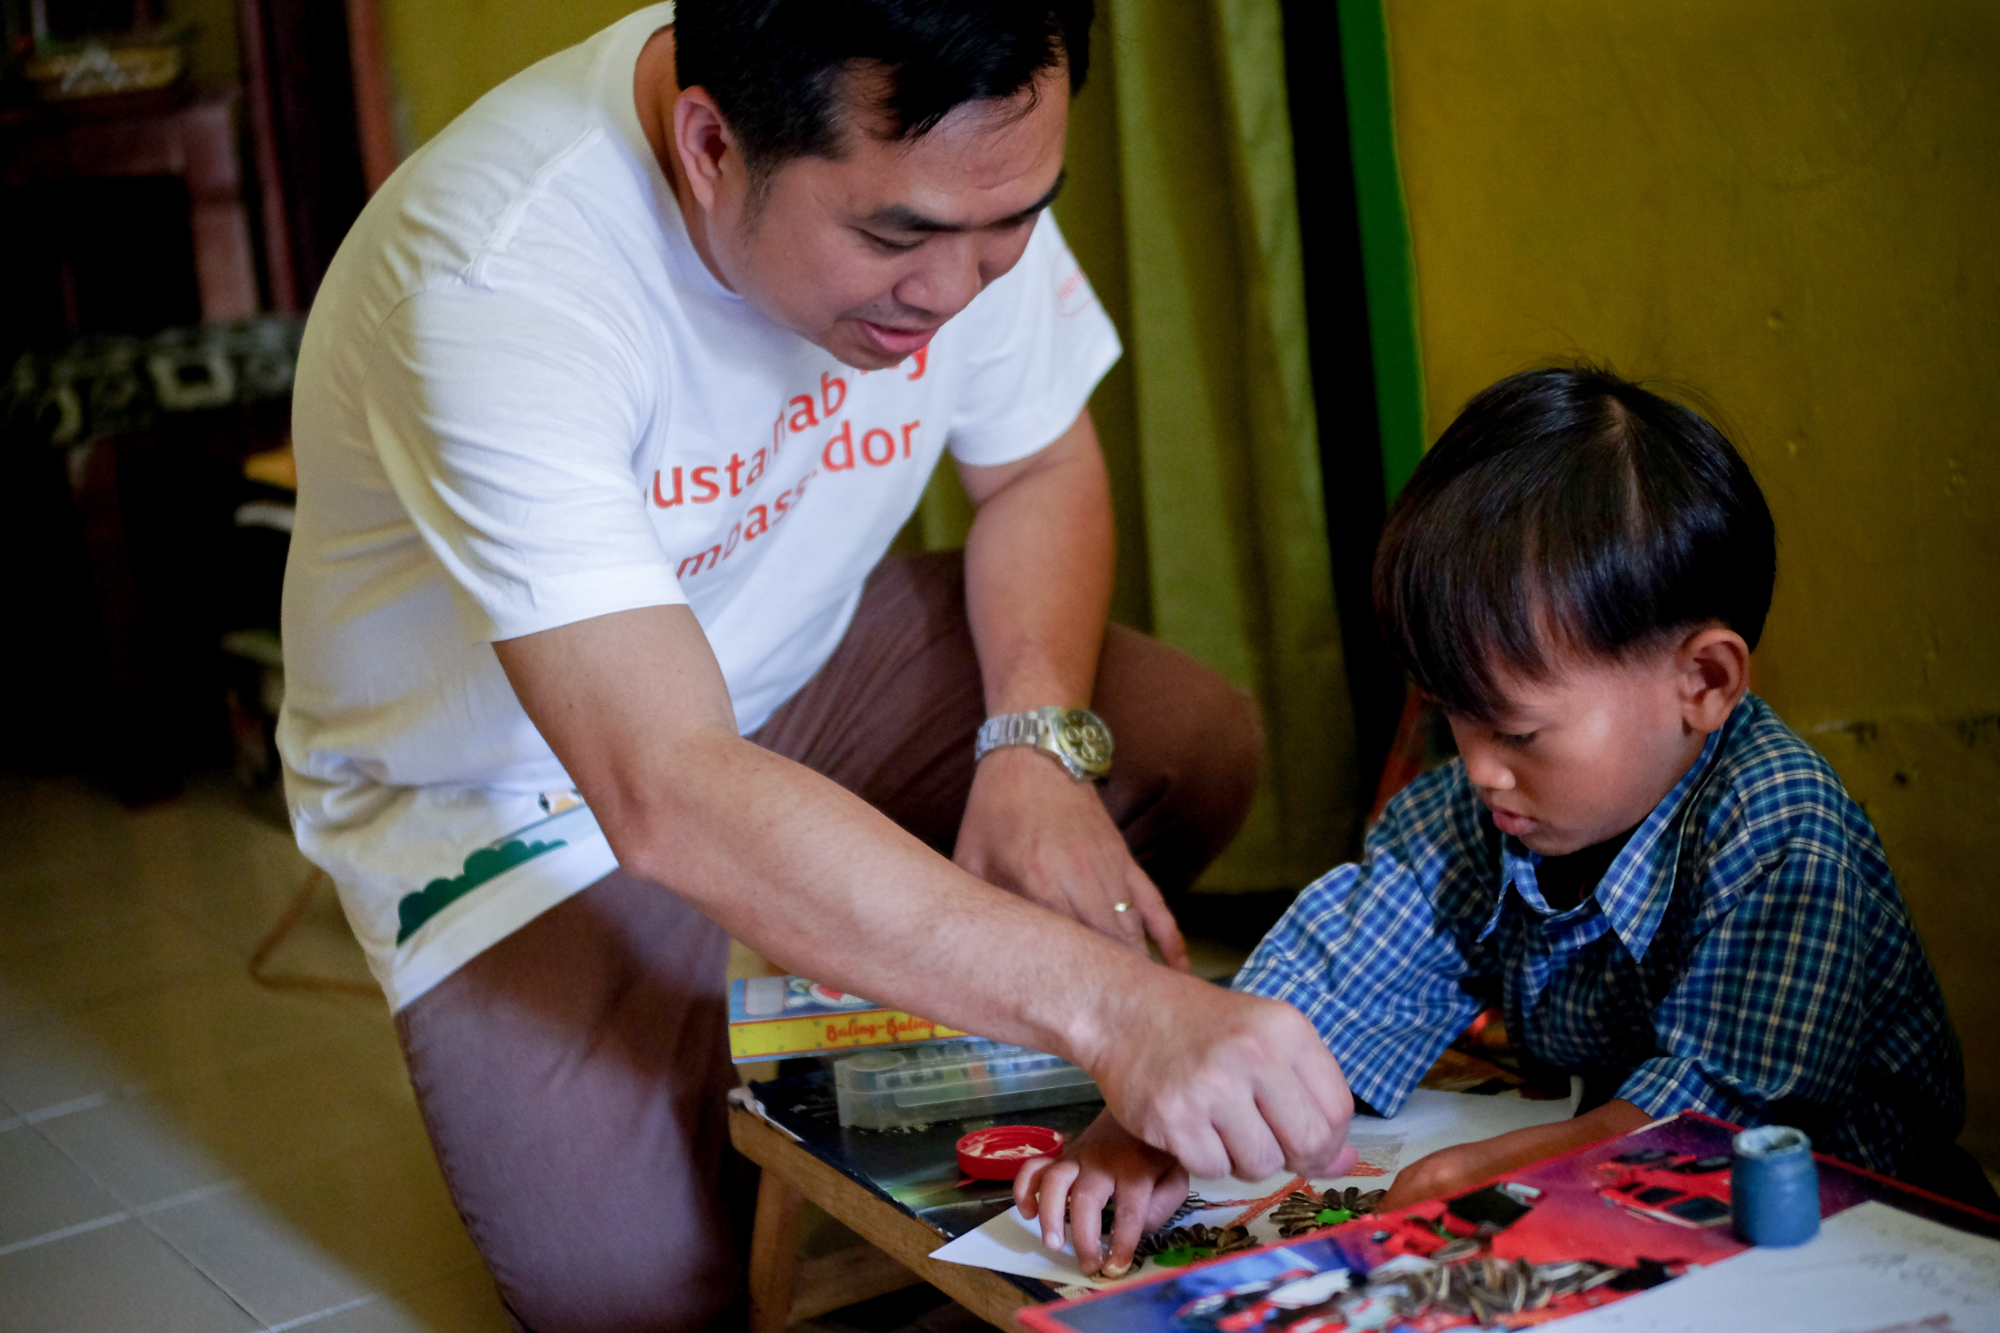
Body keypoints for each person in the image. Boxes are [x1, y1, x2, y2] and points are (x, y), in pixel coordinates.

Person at [279, 1, 1358, 1327]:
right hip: (526, 800)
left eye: (1008, 225)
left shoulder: (961, 149)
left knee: (1178, 736)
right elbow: (666, 784)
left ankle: (880, 971)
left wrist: (1028, 746)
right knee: (640, 1297)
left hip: (801, 665)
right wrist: (1121, 1015)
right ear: (710, 146)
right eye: (893, 239)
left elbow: (1035, 468)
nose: (957, 292)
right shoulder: (494, 281)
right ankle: (832, 981)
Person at [1020, 365, 1982, 1276]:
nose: (1478, 768)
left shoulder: (1781, 833)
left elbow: (1717, 1120)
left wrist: (1510, 1169)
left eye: (1518, 728)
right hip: (1629, 1192)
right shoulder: (1472, 816)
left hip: (1861, 1226)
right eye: (1453, 717)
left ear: (1703, 681)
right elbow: (1335, 974)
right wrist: (1160, 1115)